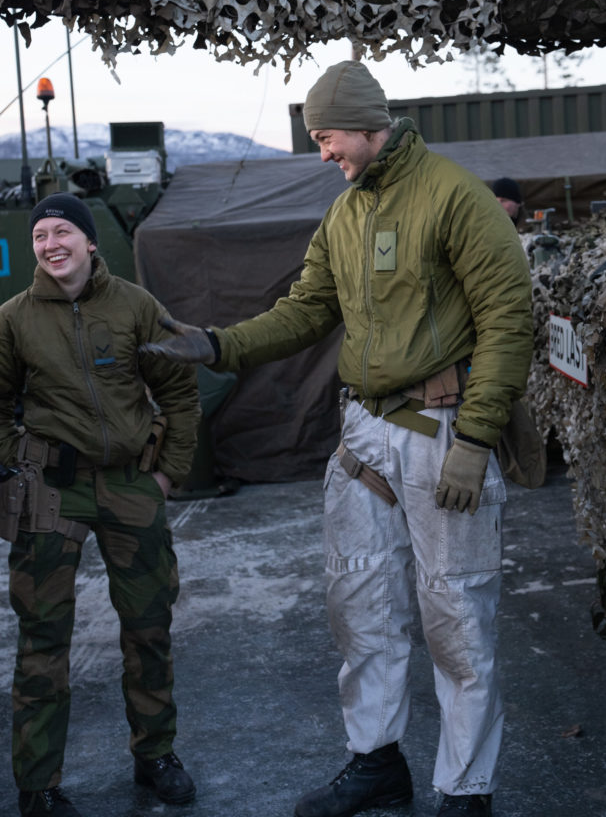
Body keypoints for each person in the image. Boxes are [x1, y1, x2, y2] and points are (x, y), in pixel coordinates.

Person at [143, 61, 534, 817]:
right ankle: (376, 760)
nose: (322, 153)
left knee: (455, 614)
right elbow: (304, 311)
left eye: (326, 137)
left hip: (440, 431)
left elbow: (507, 322)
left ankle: (467, 789)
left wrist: (476, 439)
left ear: (364, 123)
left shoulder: (454, 197)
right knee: (362, 605)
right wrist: (217, 345)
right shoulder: (345, 213)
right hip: (362, 439)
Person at [0, 193, 201, 817]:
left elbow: (180, 391)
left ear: (90, 242)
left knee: (149, 625)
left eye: (63, 231)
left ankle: (156, 754)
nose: (50, 243)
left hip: (129, 484)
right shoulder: (13, 318)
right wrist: (20, 462)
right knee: (42, 636)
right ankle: (38, 785)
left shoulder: (137, 307)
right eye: (40, 235)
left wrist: (166, 474)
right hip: (50, 493)